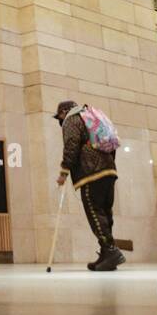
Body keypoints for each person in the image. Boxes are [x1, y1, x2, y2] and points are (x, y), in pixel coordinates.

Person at [54, 100, 123, 272]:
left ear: (64, 112)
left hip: (90, 173)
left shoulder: (72, 119)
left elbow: (71, 145)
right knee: (105, 213)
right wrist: (107, 165)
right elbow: (111, 145)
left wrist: (64, 172)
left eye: (59, 118)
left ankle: (111, 251)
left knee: (94, 212)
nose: (60, 121)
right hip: (108, 171)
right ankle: (107, 253)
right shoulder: (91, 117)